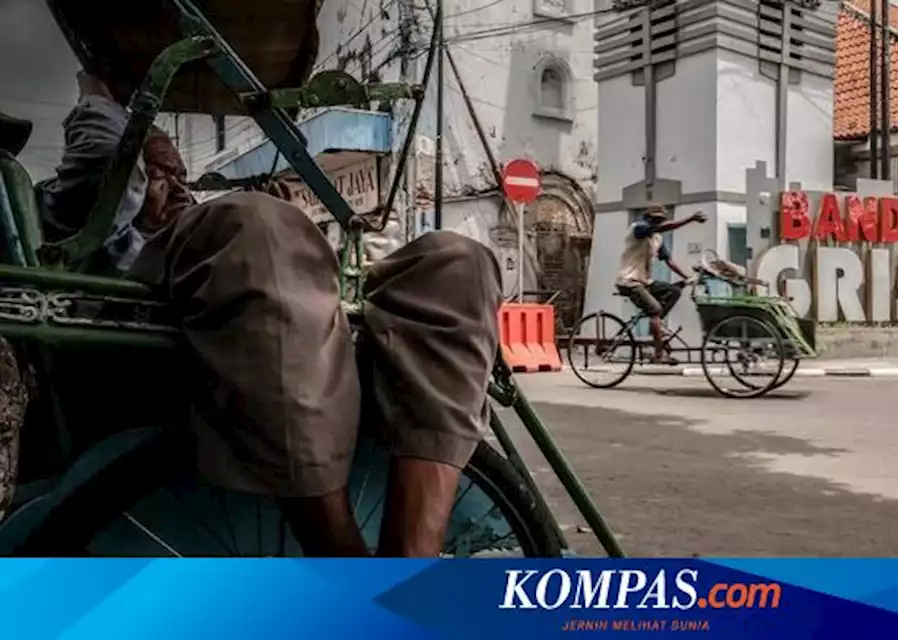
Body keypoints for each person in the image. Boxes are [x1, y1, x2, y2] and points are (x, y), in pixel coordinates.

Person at [38, 71, 501, 557]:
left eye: (180, 174)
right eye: (157, 174)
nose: (175, 185)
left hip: (284, 346)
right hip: (157, 354)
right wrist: (100, 91)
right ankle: (343, 566)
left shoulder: (220, 230)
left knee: (457, 262)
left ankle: (410, 563)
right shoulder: (105, 227)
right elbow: (99, 166)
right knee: (254, 224)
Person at [615, 205, 706, 365]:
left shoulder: (657, 238)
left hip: (645, 281)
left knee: (674, 291)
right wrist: (689, 219)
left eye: (660, 221)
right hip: (628, 281)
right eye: (655, 220)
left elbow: (669, 261)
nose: (657, 224)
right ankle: (658, 354)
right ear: (649, 219)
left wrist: (687, 277)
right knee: (655, 309)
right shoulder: (638, 228)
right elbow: (662, 228)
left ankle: (656, 325)